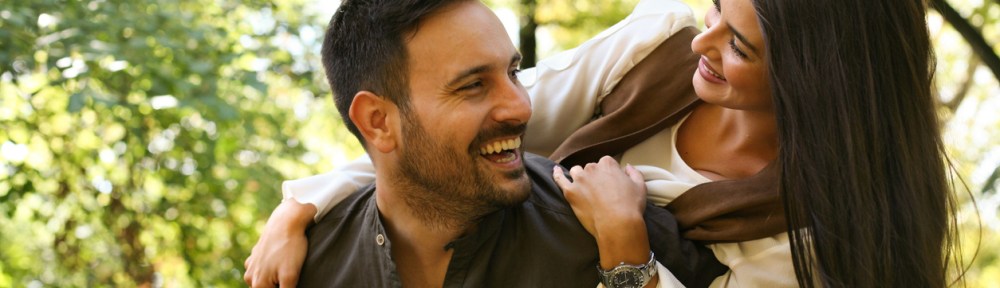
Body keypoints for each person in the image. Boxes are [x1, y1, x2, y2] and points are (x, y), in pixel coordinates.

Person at [247, 0, 961, 286]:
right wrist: (308, 204)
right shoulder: (666, 43)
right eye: (716, 7)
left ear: (814, 79)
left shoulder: (817, 236)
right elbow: (446, 132)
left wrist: (626, 249)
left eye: (737, 43)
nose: (702, 39)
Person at [260, 0, 727, 287]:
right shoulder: (307, 266)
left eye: (514, 73)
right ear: (378, 121)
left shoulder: (622, 233)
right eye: (472, 86)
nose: (521, 107)